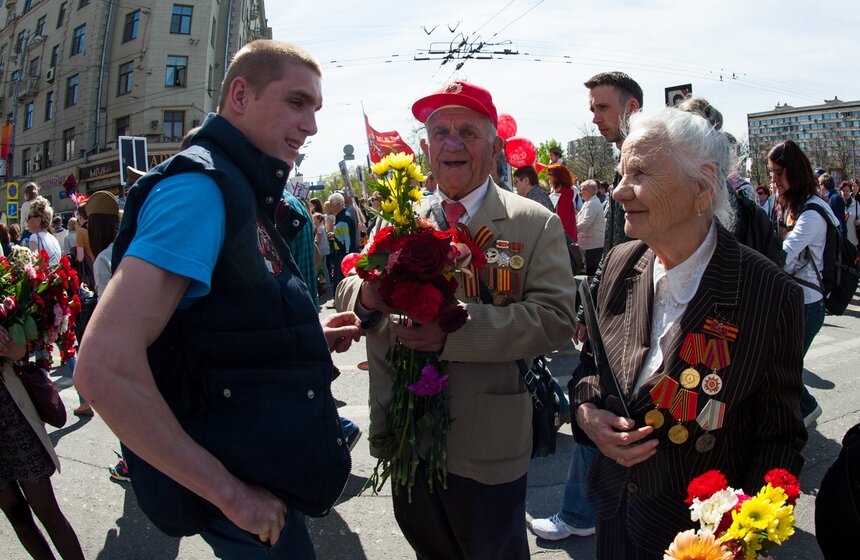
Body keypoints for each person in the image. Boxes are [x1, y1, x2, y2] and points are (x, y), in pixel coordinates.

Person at [74, 40, 362, 557]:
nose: (311, 126)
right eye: (297, 103)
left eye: (316, 109)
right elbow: (103, 369)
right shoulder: (200, 190)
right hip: (239, 487)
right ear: (240, 94)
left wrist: (302, 337)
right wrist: (233, 497)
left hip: (254, 464)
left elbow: (214, 330)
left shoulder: (237, 184)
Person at [336, 80, 577, 559]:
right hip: (407, 437)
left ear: (494, 149)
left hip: (485, 441)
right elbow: (349, 287)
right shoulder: (397, 217)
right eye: (439, 132)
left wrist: (452, 333)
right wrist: (366, 296)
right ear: (425, 149)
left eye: (467, 131)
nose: (451, 142)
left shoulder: (533, 222)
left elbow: (555, 321)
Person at [570, 107, 806, 559]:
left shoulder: (768, 292)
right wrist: (586, 414)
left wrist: (743, 538)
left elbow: (779, 437)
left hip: (699, 541)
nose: (618, 191)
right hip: (615, 515)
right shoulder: (620, 263)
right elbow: (589, 369)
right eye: (622, 173)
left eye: (638, 173)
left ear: (702, 186)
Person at [532, 71, 642, 543]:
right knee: (601, 410)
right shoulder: (626, 164)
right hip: (617, 310)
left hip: (632, 315)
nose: (594, 117)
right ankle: (584, 512)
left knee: (599, 407)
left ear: (631, 107)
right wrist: (589, 307)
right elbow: (620, 252)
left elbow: (632, 249)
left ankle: (582, 514)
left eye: (601, 107)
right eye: (592, 108)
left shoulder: (643, 162)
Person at [770, 140, 839, 428]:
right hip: (803, 301)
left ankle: (806, 409)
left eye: (778, 173)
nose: (773, 180)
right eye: (771, 173)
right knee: (783, 365)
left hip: (807, 304)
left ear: (794, 173)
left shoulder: (811, 213)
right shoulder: (804, 207)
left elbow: (784, 258)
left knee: (782, 367)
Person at [1, 328, 86, 560]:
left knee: (47, 511)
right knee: (16, 514)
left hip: (14, 422)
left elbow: (23, 347)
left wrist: (14, 347)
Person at [576, 180, 605, 276]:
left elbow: (585, 223)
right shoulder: (589, 202)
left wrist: (572, 229)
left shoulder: (592, 203)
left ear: (588, 190)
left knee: (591, 272)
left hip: (593, 245)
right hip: (589, 244)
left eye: (581, 190)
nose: (580, 193)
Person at [327, 192, 354, 291]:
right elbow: (343, 234)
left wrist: (346, 255)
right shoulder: (342, 216)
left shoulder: (344, 217)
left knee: (342, 278)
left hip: (343, 254)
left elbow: (348, 239)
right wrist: (335, 235)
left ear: (337, 204)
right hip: (341, 252)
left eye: (331, 204)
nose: (330, 206)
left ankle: (340, 301)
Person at [547, 163, 579, 241]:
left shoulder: (564, 193)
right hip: (558, 234)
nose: (548, 176)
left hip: (564, 236)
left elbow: (563, 220)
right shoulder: (555, 191)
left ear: (558, 176)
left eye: (550, 174)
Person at [26, 196, 63, 266]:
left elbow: (34, 263)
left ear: (38, 220)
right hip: (54, 276)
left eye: (29, 217)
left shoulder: (35, 237)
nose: (27, 221)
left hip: (45, 276)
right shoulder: (54, 239)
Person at [818, 173, 847, 237]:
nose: (819, 188)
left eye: (819, 184)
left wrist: (842, 241)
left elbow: (841, 223)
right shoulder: (828, 198)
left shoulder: (835, 198)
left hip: (837, 238)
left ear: (823, 185)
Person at [840, 180, 859, 248]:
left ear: (850, 191)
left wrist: (859, 221)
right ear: (840, 192)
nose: (845, 193)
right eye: (843, 191)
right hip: (841, 240)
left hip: (853, 240)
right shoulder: (838, 205)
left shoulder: (856, 204)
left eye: (847, 191)